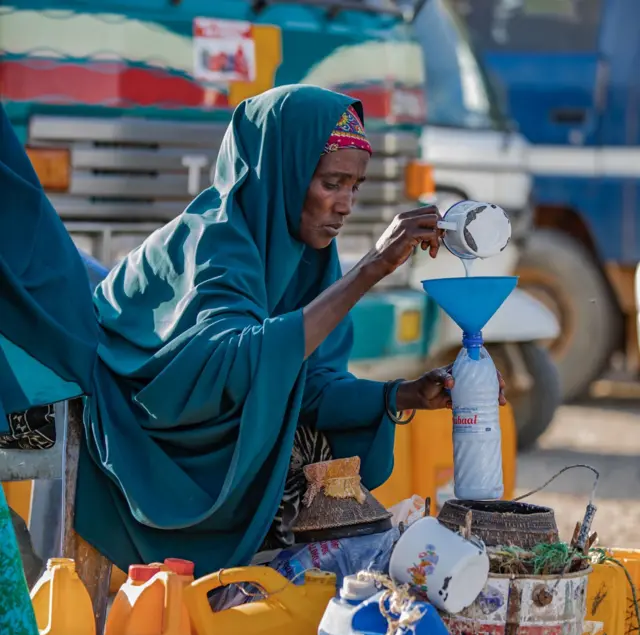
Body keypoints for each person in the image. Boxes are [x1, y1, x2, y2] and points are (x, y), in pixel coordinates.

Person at [0, 86, 505, 578]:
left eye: (355, 186)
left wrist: (405, 393)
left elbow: (308, 384)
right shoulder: (212, 241)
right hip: (139, 431)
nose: (346, 204)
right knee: (293, 455)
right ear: (281, 173)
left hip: (206, 418)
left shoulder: (308, 261)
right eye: (331, 183)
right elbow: (230, 369)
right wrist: (369, 269)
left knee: (324, 461)